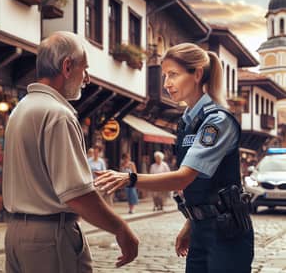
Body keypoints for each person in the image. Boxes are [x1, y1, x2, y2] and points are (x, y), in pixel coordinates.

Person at [95, 43, 254, 273]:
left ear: (197, 74)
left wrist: (129, 178)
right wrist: (191, 225)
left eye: (173, 75)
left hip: (227, 234)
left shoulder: (217, 122)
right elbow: (204, 186)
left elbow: (184, 178)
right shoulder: (187, 122)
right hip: (201, 229)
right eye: (164, 76)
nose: (166, 83)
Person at [3, 31, 138, 273]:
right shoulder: (58, 114)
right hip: (50, 238)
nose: (87, 78)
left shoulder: (20, 109)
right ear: (67, 66)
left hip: (16, 235)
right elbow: (77, 194)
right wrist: (122, 229)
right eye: (84, 69)